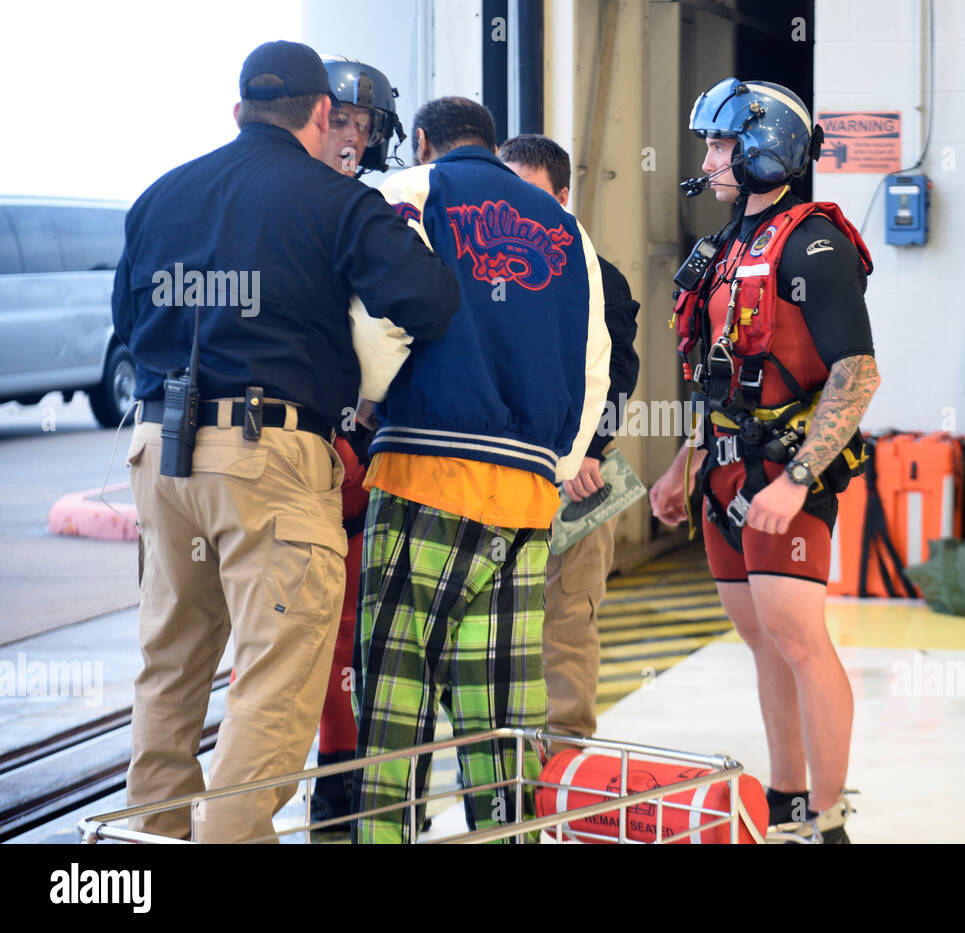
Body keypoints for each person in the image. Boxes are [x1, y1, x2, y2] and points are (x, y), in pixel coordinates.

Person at [113, 40, 459, 843]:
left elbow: (129, 327)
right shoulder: (336, 201)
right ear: (316, 114)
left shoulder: (159, 196)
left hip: (158, 453)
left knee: (170, 663)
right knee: (276, 675)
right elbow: (430, 303)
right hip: (267, 456)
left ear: (238, 111)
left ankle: (153, 842)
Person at [351, 97, 611, 843]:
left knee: (396, 707)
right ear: (494, 148)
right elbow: (592, 362)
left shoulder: (413, 191)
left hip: (424, 475)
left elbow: (378, 316)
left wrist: (369, 400)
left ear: (424, 141)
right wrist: (557, 460)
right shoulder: (568, 230)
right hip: (527, 498)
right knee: (502, 718)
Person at [648, 78, 881, 844]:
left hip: (784, 473)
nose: (708, 159)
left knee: (799, 636)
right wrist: (684, 465)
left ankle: (828, 815)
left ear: (760, 147)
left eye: (718, 144)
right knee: (761, 639)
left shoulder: (814, 242)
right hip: (719, 472)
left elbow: (857, 372)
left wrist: (801, 476)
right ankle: (784, 797)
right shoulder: (721, 249)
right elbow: (715, 369)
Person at [497, 133, 640, 745]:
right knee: (494, 628)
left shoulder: (599, 277)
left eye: (533, 197)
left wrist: (587, 452)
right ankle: (496, 765)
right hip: (499, 475)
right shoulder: (485, 270)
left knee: (567, 623)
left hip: (581, 479)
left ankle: (563, 768)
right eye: (508, 195)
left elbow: (618, 375)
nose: (520, 211)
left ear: (563, 197)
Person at [306, 55, 408, 827]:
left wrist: (371, 412)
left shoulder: (379, 209)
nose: (349, 135)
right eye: (337, 118)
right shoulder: (296, 206)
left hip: (354, 449)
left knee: (352, 631)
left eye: (361, 124)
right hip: (288, 443)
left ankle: (342, 780)